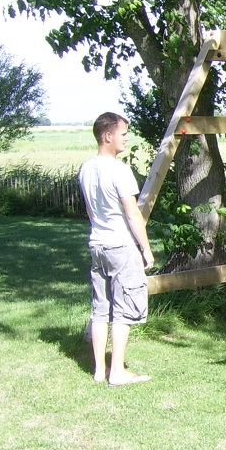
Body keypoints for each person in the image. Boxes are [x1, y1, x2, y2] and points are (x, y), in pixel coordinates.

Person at [78, 112, 155, 386]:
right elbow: (132, 213)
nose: (126, 138)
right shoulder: (119, 170)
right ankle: (117, 372)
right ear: (107, 136)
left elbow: (89, 210)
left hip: (97, 244)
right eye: (123, 134)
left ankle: (100, 370)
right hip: (120, 245)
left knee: (101, 308)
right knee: (124, 309)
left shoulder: (86, 168)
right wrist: (145, 248)